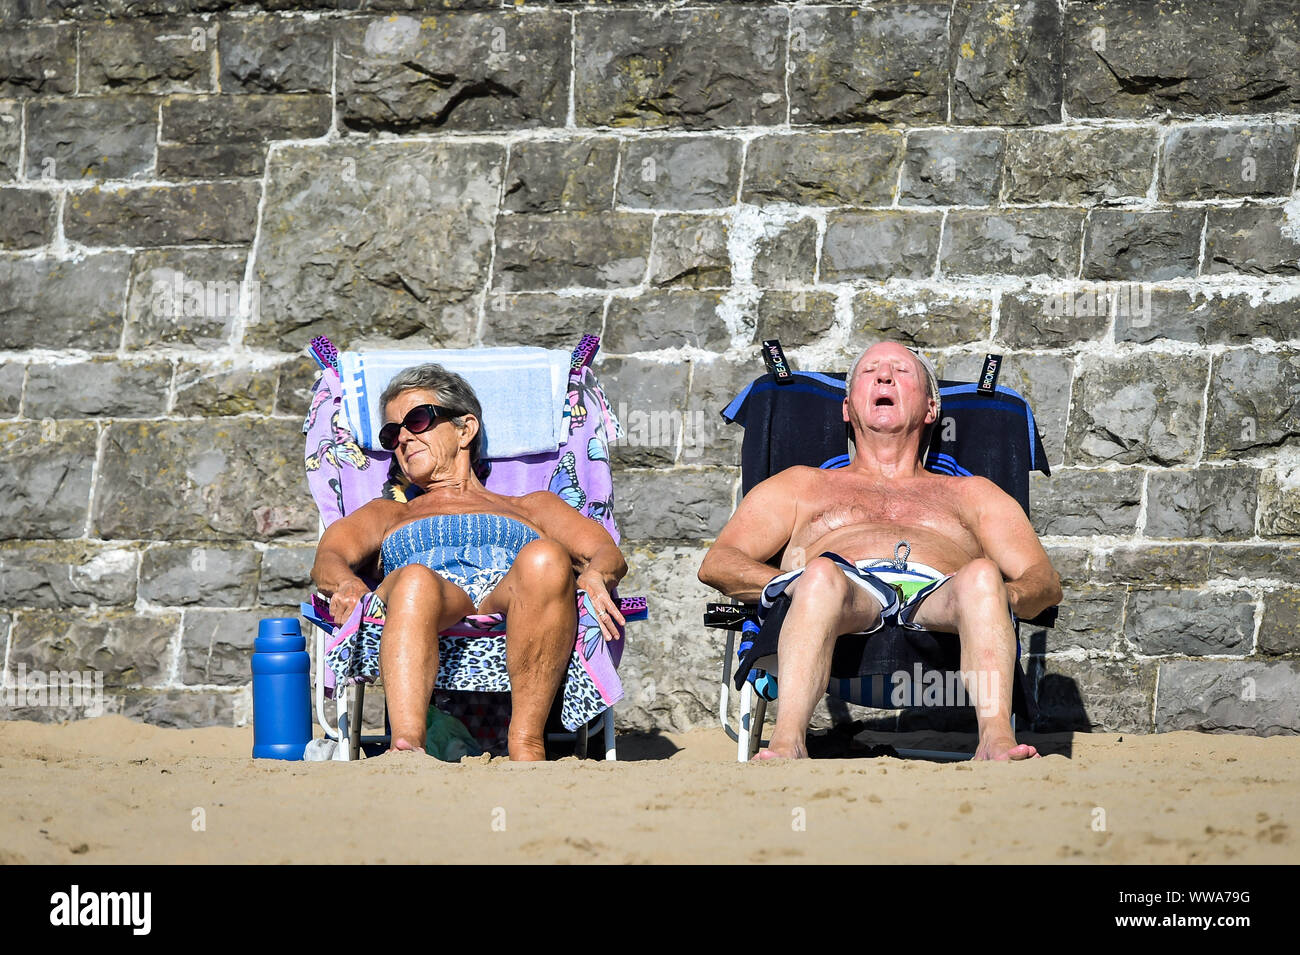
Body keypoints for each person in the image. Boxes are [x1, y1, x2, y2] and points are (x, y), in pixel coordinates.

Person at [698, 341, 1061, 761]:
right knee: (818, 577)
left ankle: (996, 739)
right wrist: (790, 585)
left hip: (939, 601)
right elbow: (719, 564)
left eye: (902, 372)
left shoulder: (973, 494)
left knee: (983, 575)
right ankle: (788, 743)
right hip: (839, 597)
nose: (885, 377)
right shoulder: (800, 486)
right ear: (847, 408)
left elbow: (1044, 581)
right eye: (870, 371)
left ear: (930, 409)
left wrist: (998, 598)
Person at [311, 363, 628, 761]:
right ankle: (407, 747)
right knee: (413, 580)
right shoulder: (388, 513)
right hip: (429, 599)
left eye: (418, 420)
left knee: (547, 557)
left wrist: (597, 574)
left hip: (510, 599)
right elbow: (330, 556)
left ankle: (527, 743)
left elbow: (604, 551)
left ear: (465, 429)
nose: (404, 438)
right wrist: (346, 582)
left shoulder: (532, 506)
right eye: (392, 433)